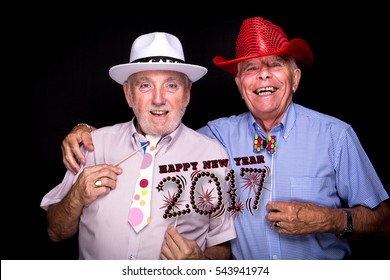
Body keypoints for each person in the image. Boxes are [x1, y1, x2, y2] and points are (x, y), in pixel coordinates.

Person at [60, 16, 390, 260]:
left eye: (274, 64)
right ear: (239, 84)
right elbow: (159, 130)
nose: (262, 74)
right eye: (250, 68)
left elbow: (385, 222)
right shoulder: (217, 138)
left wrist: (329, 219)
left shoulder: (335, 136)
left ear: (295, 77)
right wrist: (86, 130)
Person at [40, 32, 236, 260]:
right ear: (128, 94)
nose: (158, 99)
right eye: (145, 85)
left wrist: (200, 263)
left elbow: (222, 247)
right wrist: (76, 197)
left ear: (187, 94)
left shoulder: (213, 156)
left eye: (171, 86)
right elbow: (55, 232)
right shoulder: (93, 145)